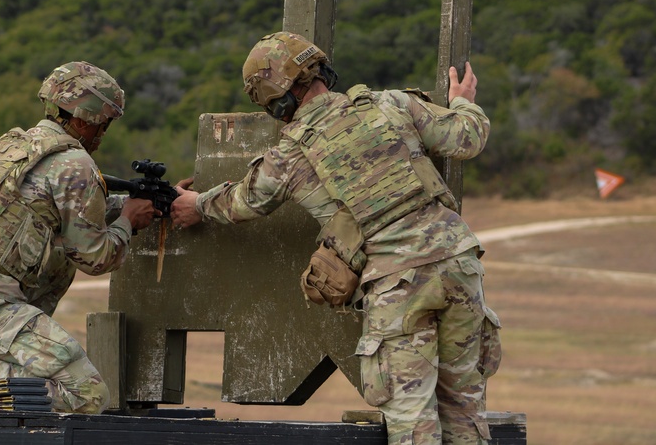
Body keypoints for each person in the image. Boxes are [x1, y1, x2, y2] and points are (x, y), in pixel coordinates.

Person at [170, 32, 502, 445]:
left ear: (276, 99)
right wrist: (464, 100)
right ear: (319, 69)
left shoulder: (291, 153)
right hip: (460, 267)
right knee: (466, 414)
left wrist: (196, 204)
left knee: (413, 426)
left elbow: (243, 203)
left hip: (397, 285)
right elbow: (467, 137)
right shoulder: (390, 103)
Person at [0, 61, 158, 413]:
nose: (104, 131)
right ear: (86, 119)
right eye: (105, 122)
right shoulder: (75, 164)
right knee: (87, 395)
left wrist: (129, 204)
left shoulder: (14, 146)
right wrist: (129, 221)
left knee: (28, 390)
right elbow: (96, 257)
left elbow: (55, 208)